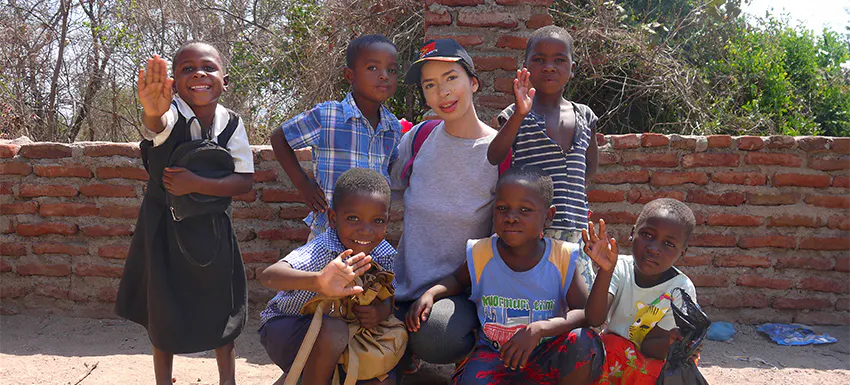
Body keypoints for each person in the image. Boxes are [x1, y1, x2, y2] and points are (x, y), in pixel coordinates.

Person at [115, 42, 254, 385]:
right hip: (163, 227)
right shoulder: (170, 113)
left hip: (212, 229)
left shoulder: (231, 124)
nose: (199, 74)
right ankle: (164, 379)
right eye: (187, 69)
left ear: (225, 80)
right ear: (174, 83)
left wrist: (196, 183)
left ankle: (227, 379)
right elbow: (156, 122)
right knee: (163, 306)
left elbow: (244, 182)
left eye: (208, 67)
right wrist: (151, 109)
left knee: (222, 305)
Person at [408, 166, 604, 385]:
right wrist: (432, 293)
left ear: (548, 216)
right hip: (494, 357)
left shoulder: (561, 258)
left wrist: (539, 329)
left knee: (585, 343)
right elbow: (456, 280)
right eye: (502, 208)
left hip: (545, 356)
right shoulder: (482, 253)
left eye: (525, 210)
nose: (511, 217)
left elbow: (585, 314)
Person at [389, 39, 499, 371]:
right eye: (431, 85)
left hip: (457, 293)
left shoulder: (497, 153)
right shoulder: (419, 138)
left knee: (438, 336)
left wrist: (442, 291)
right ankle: (401, 347)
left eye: (451, 78)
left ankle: (461, 348)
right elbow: (386, 196)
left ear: (473, 82)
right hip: (402, 286)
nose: (443, 92)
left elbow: (500, 241)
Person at [258, 168, 399, 385]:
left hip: (343, 339)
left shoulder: (384, 253)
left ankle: (300, 378)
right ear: (333, 219)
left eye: (378, 221)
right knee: (333, 330)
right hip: (287, 331)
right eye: (353, 218)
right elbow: (269, 276)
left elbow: (390, 297)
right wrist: (317, 282)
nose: (366, 230)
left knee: (385, 379)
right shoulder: (324, 249)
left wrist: (379, 311)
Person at [488, 25, 600, 290]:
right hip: (530, 234)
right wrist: (519, 113)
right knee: (534, 296)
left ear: (572, 68)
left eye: (559, 60)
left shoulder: (585, 115)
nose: (549, 67)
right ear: (525, 67)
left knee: (577, 304)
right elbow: (494, 155)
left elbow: (589, 168)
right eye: (539, 60)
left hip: (575, 232)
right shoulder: (517, 112)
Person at [270, 34, 402, 239]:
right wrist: (303, 184)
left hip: (370, 236)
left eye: (391, 70)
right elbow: (279, 138)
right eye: (373, 68)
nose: (384, 75)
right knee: (322, 273)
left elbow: (389, 167)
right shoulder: (327, 116)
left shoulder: (392, 127)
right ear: (350, 76)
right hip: (328, 231)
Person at [583, 198, 699, 385]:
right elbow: (594, 319)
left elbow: (650, 347)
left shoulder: (681, 289)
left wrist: (671, 341)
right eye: (647, 234)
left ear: (682, 253)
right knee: (590, 344)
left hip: (652, 364)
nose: (654, 249)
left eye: (668, 244)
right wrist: (605, 271)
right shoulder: (619, 266)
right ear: (632, 233)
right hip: (614, 357)